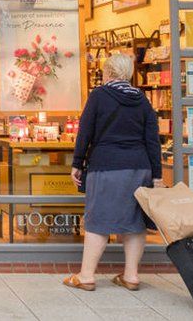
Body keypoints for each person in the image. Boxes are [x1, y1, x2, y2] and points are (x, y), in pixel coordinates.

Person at [63, 53, 164, 292]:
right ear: (129, 74)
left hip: (106, 165)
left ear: (107, 72)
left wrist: (77, 163)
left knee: (98, 220)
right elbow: (153, 140)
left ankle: (86, 276)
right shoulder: (142, 100)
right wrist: (157, 175)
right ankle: (131, 275)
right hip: (139, 166)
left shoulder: (99, 96)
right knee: (134, 221)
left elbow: (85, 132)